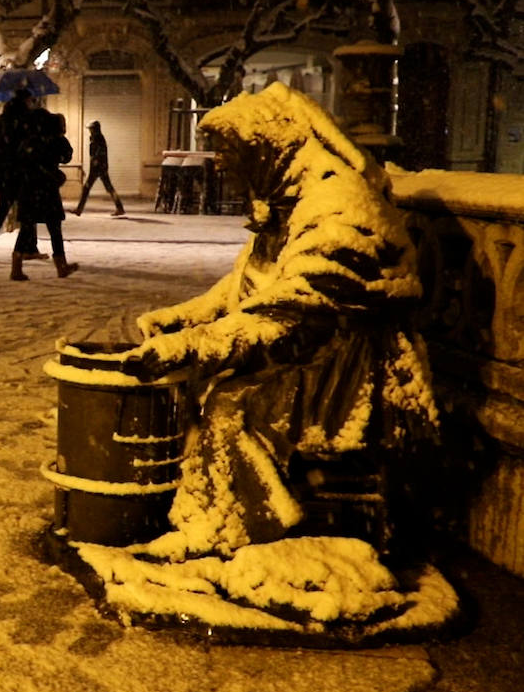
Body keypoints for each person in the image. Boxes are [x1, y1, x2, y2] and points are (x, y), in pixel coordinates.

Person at [119, 83, 437, 559]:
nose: (225, 171)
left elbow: (290, 316)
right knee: (207, 394)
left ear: (268, 150)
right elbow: (240, 291)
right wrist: (179, 322)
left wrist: (193, 348)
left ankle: (240, 538)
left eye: (234, 158)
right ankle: (209, 520)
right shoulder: (288, 201)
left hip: (344, 367)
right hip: (307, 352)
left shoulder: (339, 210)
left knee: (232, 406)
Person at [9, 109, 78, 280]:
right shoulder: (56, 140)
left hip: (29, 189)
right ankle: (61, 265)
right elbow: (67, 156)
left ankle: (16, 267)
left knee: (26, 228)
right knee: (55, 228)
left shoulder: (28, 141)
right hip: (47, 190)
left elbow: (19, 162)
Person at [0, 89, 35, 262]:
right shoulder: (19, 122)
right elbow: (22, 147)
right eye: (29, 101)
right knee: (28, 212)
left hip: (2, 172)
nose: (30, 104)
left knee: (2, 209)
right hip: (18, 172)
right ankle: (27, 249)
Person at [73, 121, 126, 217]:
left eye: (91, 128)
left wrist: (96, 162)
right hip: (96, 168)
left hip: (99, 168)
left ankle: (79, 209)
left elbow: (99, 153)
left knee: (89, 188)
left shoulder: (99, 138)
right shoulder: (94, 138)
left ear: (95, 129)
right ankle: (120, 208)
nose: (89, 130)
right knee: (107, 188)